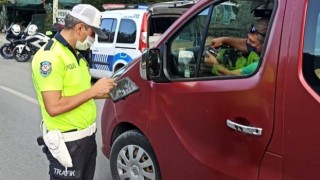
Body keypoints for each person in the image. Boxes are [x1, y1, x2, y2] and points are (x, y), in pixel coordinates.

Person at [31, 4, 116, 180]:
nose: (94, 39)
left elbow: (80, 92)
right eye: (93, 34)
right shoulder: (50, 57)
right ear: (79, 28)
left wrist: (106, 92)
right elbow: (53, 107)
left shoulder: (75, 53)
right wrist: (93, 91)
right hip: (68, 143)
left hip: (87, 139)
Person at [205, 17, 269, 76]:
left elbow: (230, 75)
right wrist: (223, 40)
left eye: (252, 42)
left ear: (266, 44)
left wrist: (214, 64)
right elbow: (245, 44)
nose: (247, 42)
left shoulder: (258, 66)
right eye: (248, 38)